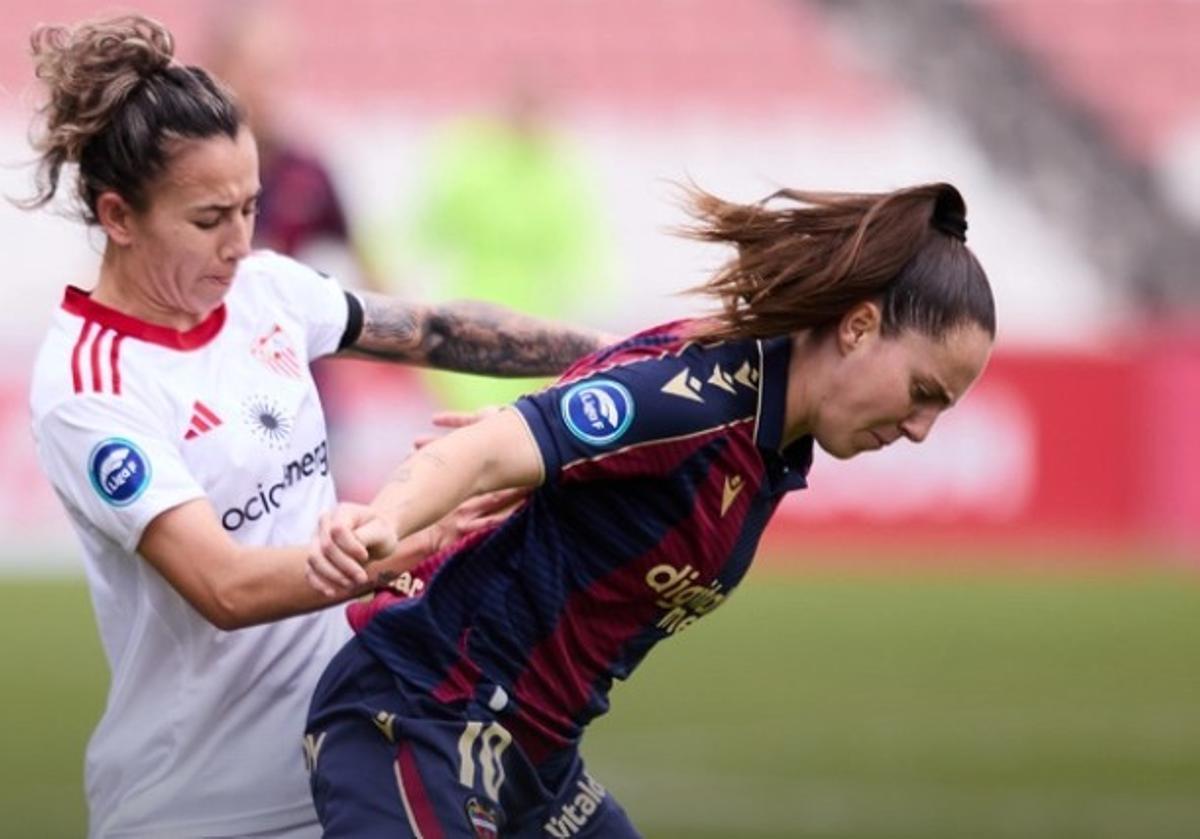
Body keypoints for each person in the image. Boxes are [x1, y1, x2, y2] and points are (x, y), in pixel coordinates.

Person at [23, 14, 607, 839]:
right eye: (209, 219)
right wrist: (417, 537)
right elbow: (225, 586)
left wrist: (624, 356)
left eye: (250, 208)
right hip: (199, 808)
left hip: (345, 768)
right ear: (118, 216)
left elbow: (436, 329)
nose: (239, 243)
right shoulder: (91, 386)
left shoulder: (268, 290)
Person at [304, 181, 997, 837]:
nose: (921, 429)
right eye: (922, 392)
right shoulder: (701, 405)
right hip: (423, 712)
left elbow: (621, 378)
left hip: (535, 763)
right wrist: (382, 521)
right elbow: (485, 452)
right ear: (859, 327)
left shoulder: (770, 437)